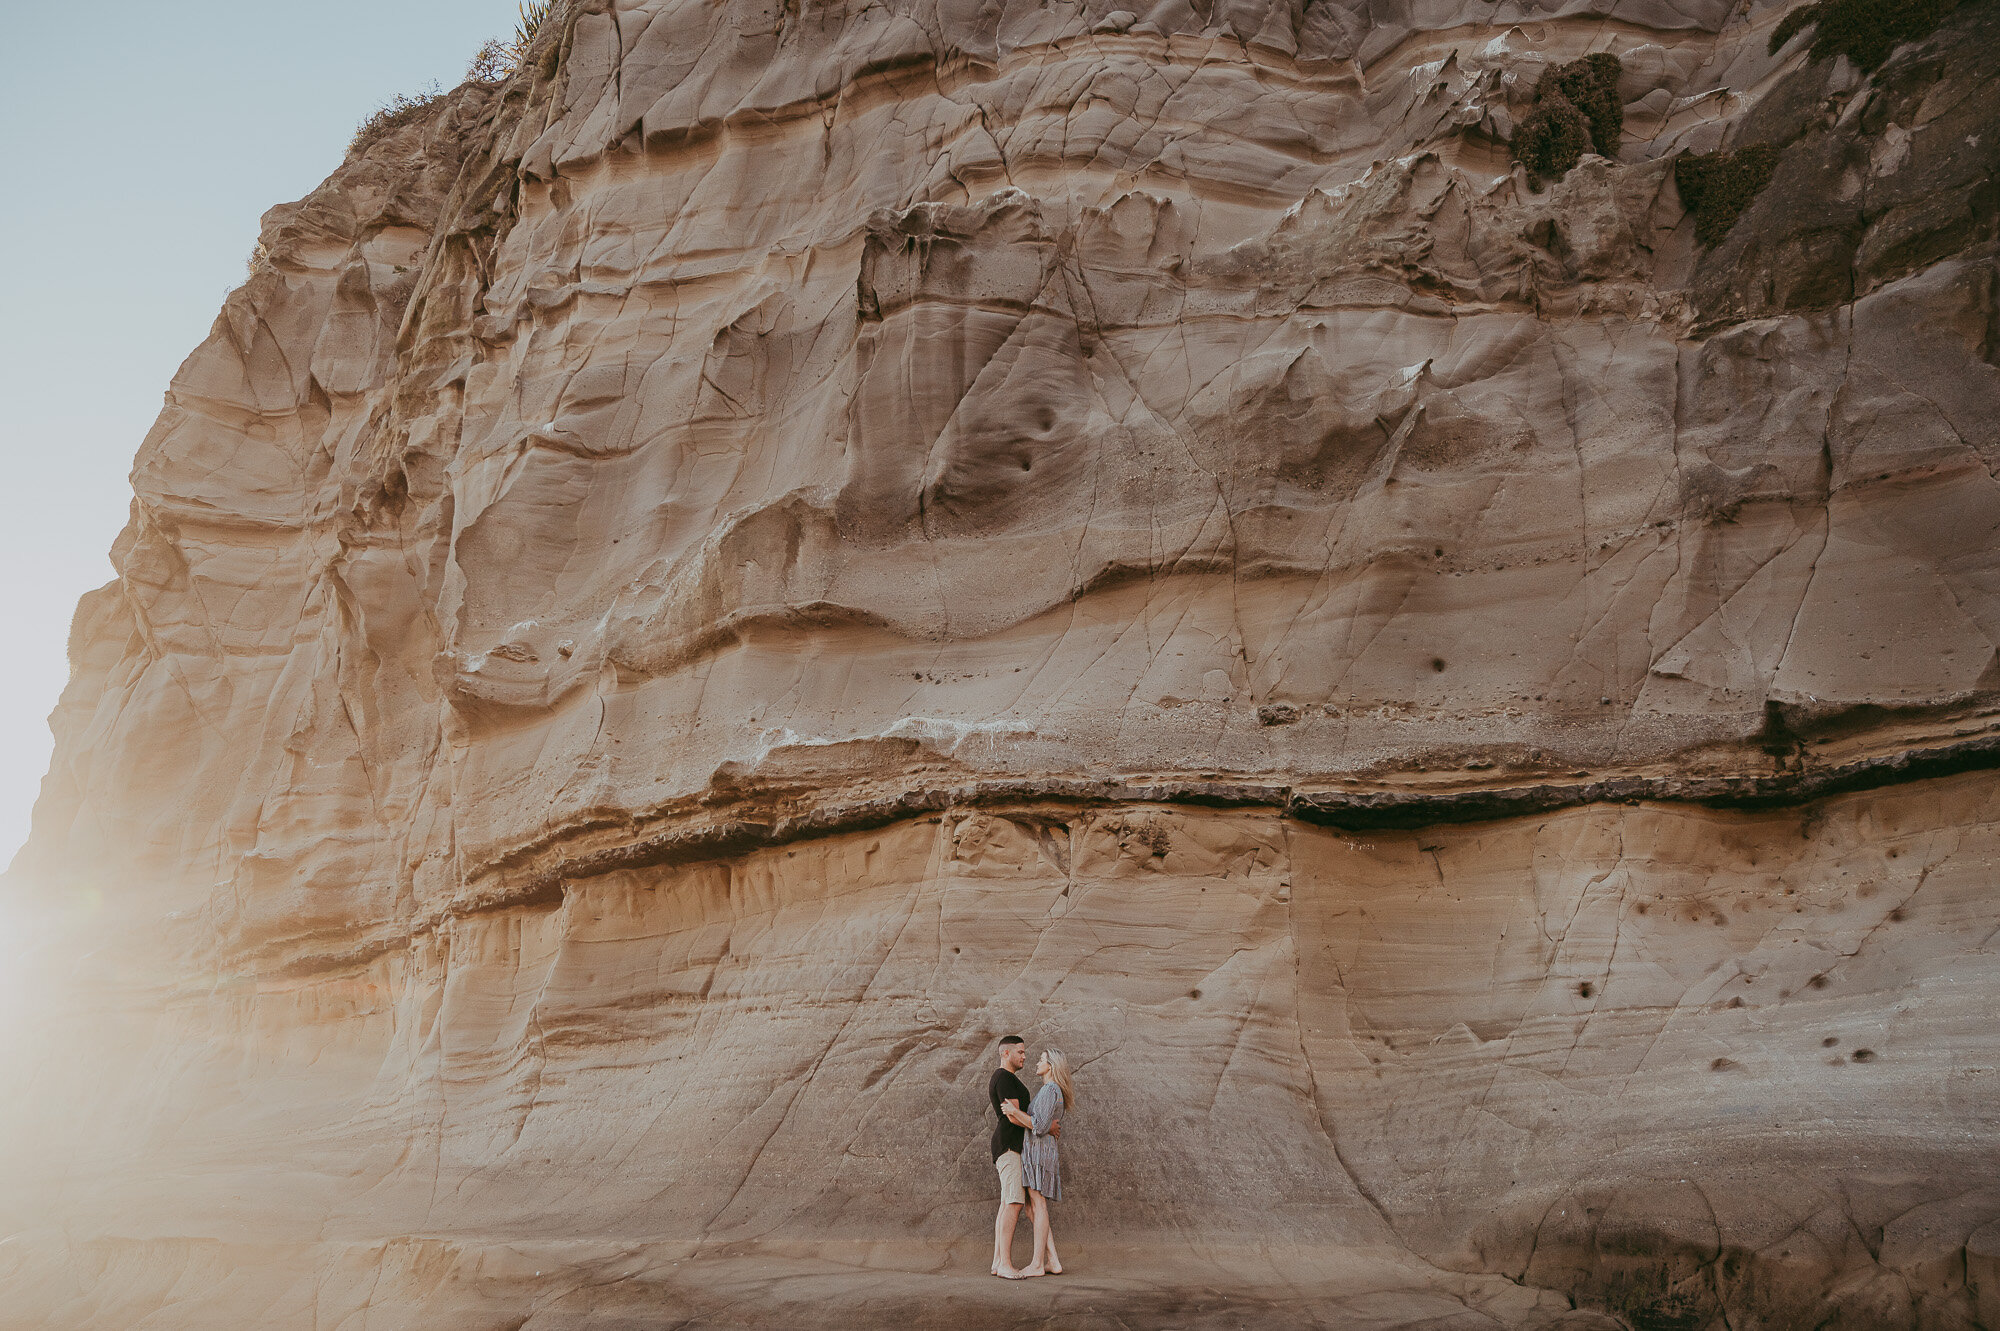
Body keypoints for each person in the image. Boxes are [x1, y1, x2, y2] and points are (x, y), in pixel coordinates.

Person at [1002, 1048, 1075, 1277]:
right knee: (1033, 1208)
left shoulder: (1050, 1089)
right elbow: (1044, 1124)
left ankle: (1036, 1264)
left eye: (1041, 1060)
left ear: (1051, 1066)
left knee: (1038, 1204)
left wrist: (1014, 1111)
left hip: (1040, 1152)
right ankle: (1052, 1260)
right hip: (1039, 1150)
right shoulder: (1052, 1090)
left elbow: (1040, 1125)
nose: (1036, 1062)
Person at [987, 1036, 1033, 1278]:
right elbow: (1014, 1116)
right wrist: (1038, 1125)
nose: (1024, 1056)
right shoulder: (1004, 1077)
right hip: (1009, 1145)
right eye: (1020, 1052)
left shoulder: (1006, 1078)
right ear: (1005, 1053)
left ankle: (998, 1262)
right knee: (1014, 1202)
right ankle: (1005, 1264)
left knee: (1007, 1203)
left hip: (1008, 1145)